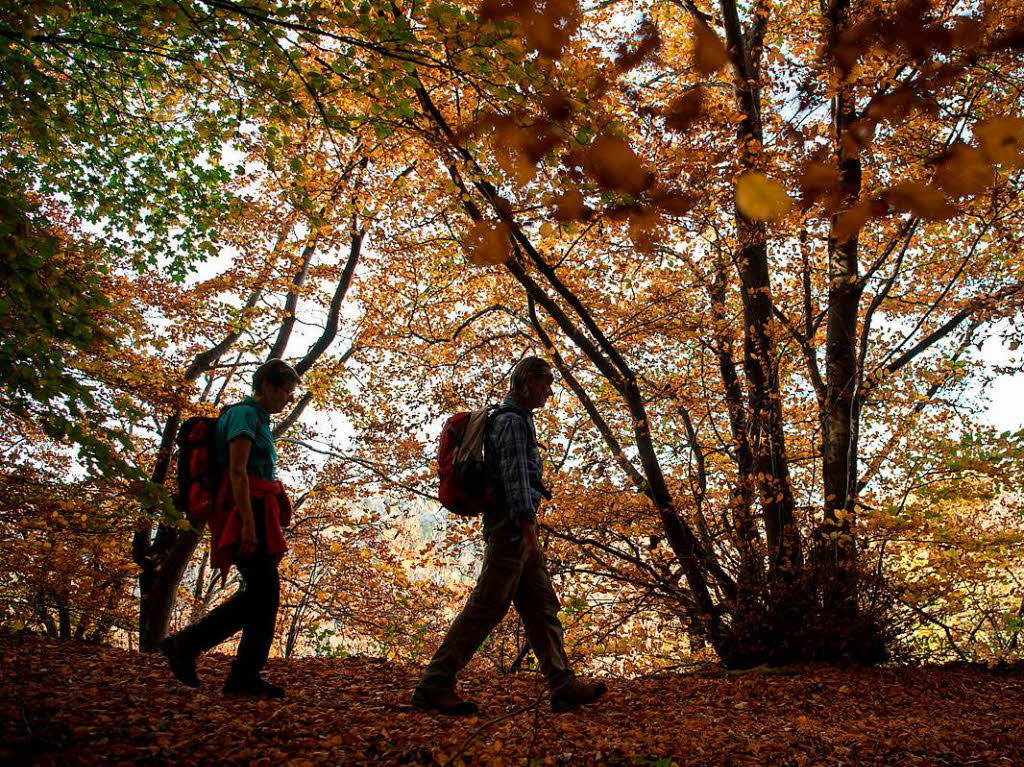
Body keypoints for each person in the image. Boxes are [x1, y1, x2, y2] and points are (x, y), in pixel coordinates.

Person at [412, 356, 607, 715]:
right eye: (547, 383)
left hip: (514, 526)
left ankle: (562, 685)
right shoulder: (514, 423)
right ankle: (434, 683)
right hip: (512, 528)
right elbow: (517, 483)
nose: (550, 392)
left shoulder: (515, 420)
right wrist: (529, 534)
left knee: (540, 606)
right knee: (486, 607)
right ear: (529, 381)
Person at [161, 358, 300, 698]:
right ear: (266, 385)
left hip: (257, 509)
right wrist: (249, 526)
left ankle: (240, 674)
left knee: (262, 597)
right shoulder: (243, 415)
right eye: (285, 390)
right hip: (243, 511)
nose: (288, 398)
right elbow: (237, 472)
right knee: (263, 594)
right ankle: (190, 646)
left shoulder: (259, 419)